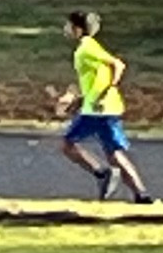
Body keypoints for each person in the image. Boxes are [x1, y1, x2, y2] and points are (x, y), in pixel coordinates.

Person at [59, 11, 156, 203]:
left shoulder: (87, 47)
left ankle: (103, 173)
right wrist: (82, 100)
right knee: (113, 153)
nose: (66, 29)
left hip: (99, 110)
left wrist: (105, 92)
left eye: (69, 25)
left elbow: (117, 65)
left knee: (67, 144)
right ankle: (141, 195)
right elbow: (97, 77)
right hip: (101, 108)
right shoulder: (88, 47)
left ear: (78, 29)